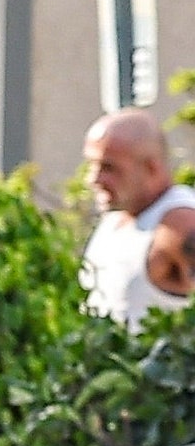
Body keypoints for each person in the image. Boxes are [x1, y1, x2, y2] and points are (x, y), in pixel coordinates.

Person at [79, 108, 195, 324]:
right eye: (92, 165)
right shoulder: (115, 219)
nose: (93, 179)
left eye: (109, 167)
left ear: (151, 168)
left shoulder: (180, 223)